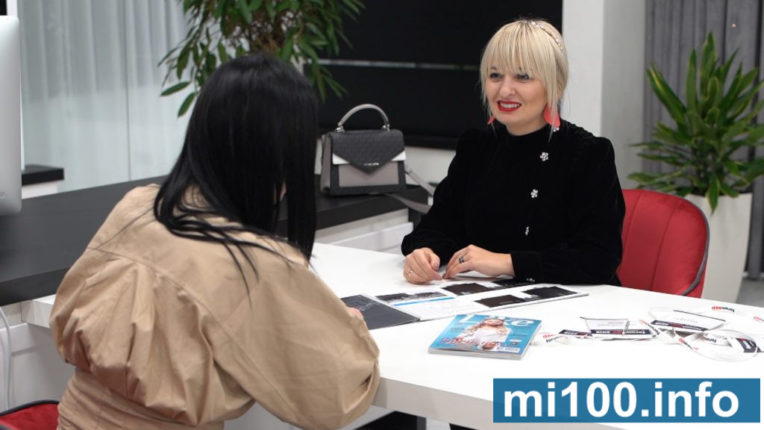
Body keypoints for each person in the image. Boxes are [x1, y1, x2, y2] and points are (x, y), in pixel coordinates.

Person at [50, 54, 380, 430]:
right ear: (282, 159)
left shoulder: (137, 207)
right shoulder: (251, 261)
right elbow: (335, 395)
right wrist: (352, 328)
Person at [402, 19, 625, 286]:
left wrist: (506, 263)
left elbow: (599, 258)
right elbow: (439, 225)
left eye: (523, 76)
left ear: (556, 84)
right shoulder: (475, 148)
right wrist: (425, 252)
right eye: (495, 75)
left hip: (574, 303)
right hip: (482, 300)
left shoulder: (589, 154)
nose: (505, 90)